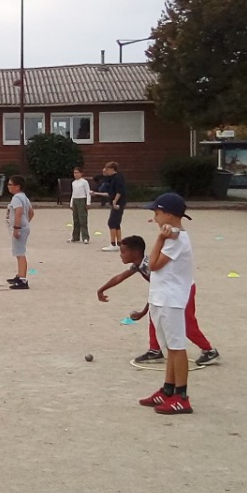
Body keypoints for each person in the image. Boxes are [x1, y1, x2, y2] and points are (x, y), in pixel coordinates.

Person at [97, 235, 221, 366]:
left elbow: (155, 294)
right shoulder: (140, 264)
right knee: (155, 316)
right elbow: (120, 277)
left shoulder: (149, 267)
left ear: (135, 253)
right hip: (170, 290)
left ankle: (209, 351)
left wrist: (142, 312)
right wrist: (101, 289)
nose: (120, 255)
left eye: (123, 252)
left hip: (183, 289)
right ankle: (155, 350)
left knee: (185, 322)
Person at [140, 193, 196, 415]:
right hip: (161, 297)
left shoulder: (177, 240)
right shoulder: (174, 237)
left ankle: (181, 396)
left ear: (169, 215)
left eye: (157, 213)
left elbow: (152, 264)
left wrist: (160, 239)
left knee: (176, 347)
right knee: (169, 348)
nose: (154, 217)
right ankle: (168, 389)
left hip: (171, 299)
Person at [6, 175, 34, 290]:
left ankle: (22, 280)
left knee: (20, 253)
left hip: (19, 228)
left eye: (10, 184)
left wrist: (17, 227)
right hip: (23, 227)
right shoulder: (24, 197)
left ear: (17, 186)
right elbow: (31, 212)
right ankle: (19, 275)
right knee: (18, 252)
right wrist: (26, 222)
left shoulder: (17, 198)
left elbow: (19, 211)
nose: (8, 187)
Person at [97, 162, 127, 252]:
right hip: (116, 202)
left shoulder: (117, 178)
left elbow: (119, 191)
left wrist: (115, 201)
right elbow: (110, 193)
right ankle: (119, 243)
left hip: (118, 202)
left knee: (112, 222)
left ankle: (113, 244)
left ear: (112, 169)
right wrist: (96, 193)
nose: (106, 171)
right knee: (116, 223)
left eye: (107, 169)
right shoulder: (112, 178)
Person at [69, 166, 91, 243]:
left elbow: (88, 192)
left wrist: (88, 202)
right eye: (75, 173)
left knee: (82, 219)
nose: (76, 174)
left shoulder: (84, 182)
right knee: (75, 219)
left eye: (77, 173)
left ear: (81, 173)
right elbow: (73, 193)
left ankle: (85, 237)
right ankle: (75, 236)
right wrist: (71, 203)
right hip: (75, 200)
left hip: (82, 200)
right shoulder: (73, 183)